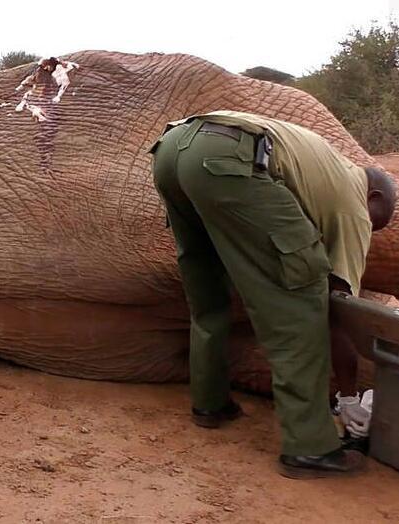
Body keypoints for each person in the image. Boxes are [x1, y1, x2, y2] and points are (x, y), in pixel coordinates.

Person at [149, 111, 396, 479]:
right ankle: (310, 448)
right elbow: (339, 309)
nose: (370, 230)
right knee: (303, 292)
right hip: (230, 158)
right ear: (373, 197)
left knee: (209, 291)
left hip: (172, 149)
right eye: (377, 221)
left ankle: (210, 404)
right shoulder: (353, 206)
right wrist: (347, 396)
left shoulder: (326, 167)